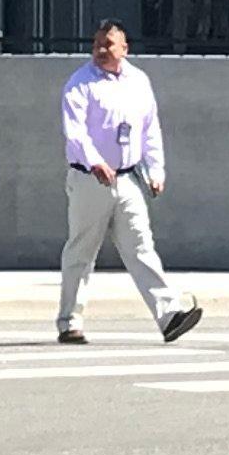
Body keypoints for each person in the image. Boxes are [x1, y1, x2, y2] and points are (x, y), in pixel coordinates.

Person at [54, 21, 202, 346]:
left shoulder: (138, 81)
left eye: (108, 44)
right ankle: (70, 322)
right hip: (89, 179)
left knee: (141, 247)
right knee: (82, 250)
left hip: (128, 178)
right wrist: (95, 161)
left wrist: (156, 170)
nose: (100, 50)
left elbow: (150, 129)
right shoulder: (81, 83)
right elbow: (75, 131)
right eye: (96, 44)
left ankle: (169, 316)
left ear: (124, 49)